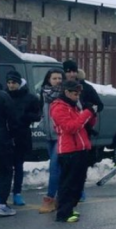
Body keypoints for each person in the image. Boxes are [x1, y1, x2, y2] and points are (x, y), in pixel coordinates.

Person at [50, 79, 96, 223]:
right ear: (67, 92)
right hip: (69, 150)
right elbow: (71, 127)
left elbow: (84, 124)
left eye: (78, 93)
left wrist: (91, 113)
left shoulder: (73, 106)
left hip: (80, 148)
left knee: (78, 183)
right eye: (75, 93)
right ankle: (63, 212)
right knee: (68, 183)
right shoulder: (58, 108)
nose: (77, 96)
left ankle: (69, 208)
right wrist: (87, 113)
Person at [5, 71, 42, 206]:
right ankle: (3, 193)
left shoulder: (30, 98)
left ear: (19, 83)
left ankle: (17, 193)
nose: (11, 85)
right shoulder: (4, 95)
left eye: (13, 83)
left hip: (21, 135)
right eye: (9, 83)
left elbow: (37, 114)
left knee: (18, 165)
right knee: (5, 166)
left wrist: (25, 116)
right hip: (6, 135)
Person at [0, 67, 19, 216]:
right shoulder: (3, 96)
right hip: (1, 139)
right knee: (5, 172)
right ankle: (2, 203)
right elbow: (12, 120)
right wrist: (12, 136)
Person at [38, 69, 64, 213]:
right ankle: (61, 197)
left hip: (60, 135)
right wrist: (43, 123)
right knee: (58, 168)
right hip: (48, 135)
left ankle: (49, 198)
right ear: (49, 80)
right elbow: (42, 111)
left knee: (54, 167)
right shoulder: (44, 93)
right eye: (54, 78)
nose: (57, 81)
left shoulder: (65, 94)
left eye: (60, 78)